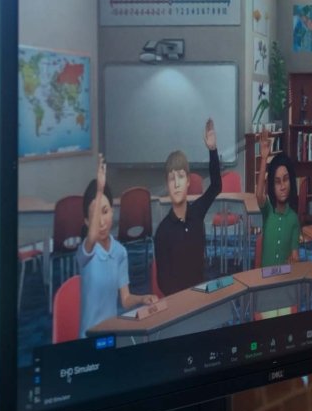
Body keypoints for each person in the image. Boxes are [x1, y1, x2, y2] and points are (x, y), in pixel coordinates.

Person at [77, 154, 157, 337]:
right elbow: (91, 238)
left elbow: (126, 300)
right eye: (96, 216)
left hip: (111, 335)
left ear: (112, 211)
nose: (102, 222)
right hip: (88, 338)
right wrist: (99, 190)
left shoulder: (120, 252)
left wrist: (142, 298)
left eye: (105, 212)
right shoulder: (85, 253)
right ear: (87, 222)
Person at [153, 118, 222, 295]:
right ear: (167, 185)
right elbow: (163, 283)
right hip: (179, 307)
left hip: (201, 298)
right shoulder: (162, 232)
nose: (176, 184)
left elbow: (216, 187)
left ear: (189, 181)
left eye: (181, 177)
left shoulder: (197, 213)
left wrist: (213, 150)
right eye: (171, 178)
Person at [255, 128, 300, 266]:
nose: (282, 186)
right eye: (277, 181)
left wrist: (293, 262)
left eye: (285, 180)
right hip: (264, 280)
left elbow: (295, 255)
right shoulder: (268, 211)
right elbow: (259, 195)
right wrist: (264, 159)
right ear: (272, 186)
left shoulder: (293, 218)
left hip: (283, 281)